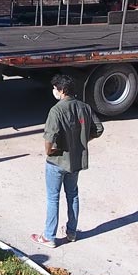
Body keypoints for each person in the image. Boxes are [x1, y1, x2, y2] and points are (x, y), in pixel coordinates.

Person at [31, 73, 103, 248]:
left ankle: (49, 236)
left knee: (53, 198)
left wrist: (49, 151)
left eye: (55, 88)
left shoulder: (56, 110)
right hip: (75, 161)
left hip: (56, 161)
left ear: (61, 90)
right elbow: (99, 129)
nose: (54, 91)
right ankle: (71, 232)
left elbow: (50, 137)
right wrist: (83, 140)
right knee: (73, 195)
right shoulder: (84, 107)